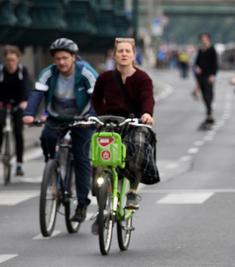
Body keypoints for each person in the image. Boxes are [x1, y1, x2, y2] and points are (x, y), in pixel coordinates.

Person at [23, 38, 99, 223]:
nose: (61, 62)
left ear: (74, 57)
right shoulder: (48, 73)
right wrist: (29, 114)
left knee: (81, 159)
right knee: (47, 136)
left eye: (65, 58)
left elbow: (97, 97)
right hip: (57, 116)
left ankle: (82, 202)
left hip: (82, 119)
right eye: (57, 59)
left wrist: (91, 118)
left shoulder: (86, 72)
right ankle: (53, 167)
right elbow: (36, 94)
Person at [91, 37, 157, 212]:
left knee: (139, 144)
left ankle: (133, 191)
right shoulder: (104, 78)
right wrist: (100, 116)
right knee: (98, 149)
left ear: (134, 55)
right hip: (110, 121)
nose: (124, 54)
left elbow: (147, 98)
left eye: (128, 51)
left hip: (134, 121)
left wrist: (146, 114)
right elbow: (96, 99)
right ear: (114, 55)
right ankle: (100, 189)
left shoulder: (143, 78)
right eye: (120, 51)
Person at [0, 45, 30, 176]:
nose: (10, 63)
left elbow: (26, 86)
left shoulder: (22, 71)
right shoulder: (0, 71)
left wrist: (25, 101)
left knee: (18, 131)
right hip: (2, 101)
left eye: (13, 60)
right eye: (8, 60)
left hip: (18, 102)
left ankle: (20, 163)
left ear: (18, 60)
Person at [195, 32, 218, 130]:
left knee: (208, 95)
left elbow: (215, 63)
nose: (204, 40)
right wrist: (197, 68)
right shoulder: (200, 50)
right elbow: (197, 62)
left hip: (209, 75)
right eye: (202, 38)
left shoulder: (212, 50)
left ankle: (209, 115)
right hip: (201, 76)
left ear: (208, 39)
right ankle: (208, 114)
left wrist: (213, 75)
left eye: (205, 38)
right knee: (204, 95)